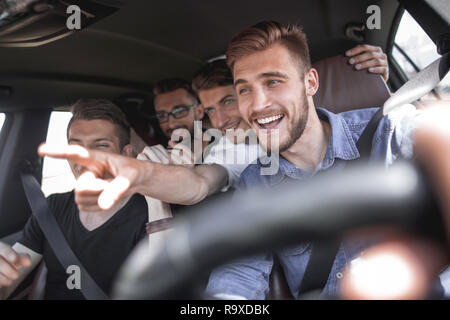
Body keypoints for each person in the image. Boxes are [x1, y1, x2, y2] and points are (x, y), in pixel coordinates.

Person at [202, 21, 448, 299]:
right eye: (244, 89)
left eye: (273, 82)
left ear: (310, 83)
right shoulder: (255, 183)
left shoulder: (391, 132)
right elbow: (237, 275)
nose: (258, 105)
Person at [0, 99, 149, 300]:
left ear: (126, 154)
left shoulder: (148, 215)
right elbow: (7, 286)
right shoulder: (51, 208)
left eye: (101, 145)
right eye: (75, 146)